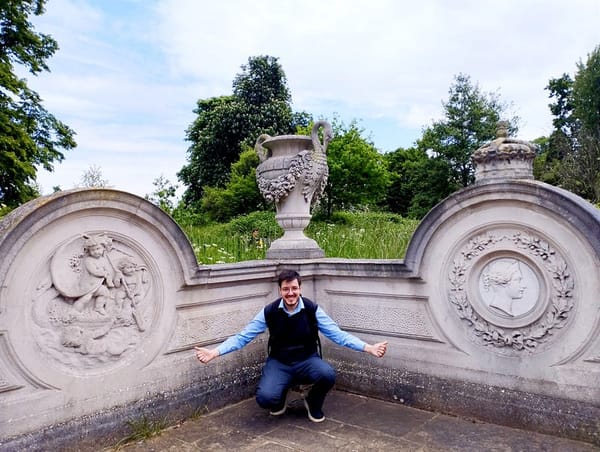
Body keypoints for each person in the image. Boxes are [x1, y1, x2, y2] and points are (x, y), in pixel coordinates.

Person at [195, 269, 388, 423]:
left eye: (294, 288)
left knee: (327, 374)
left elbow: (338, 335)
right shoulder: (269, 312)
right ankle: (279, 397)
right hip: (280, 362)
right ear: (280, 290)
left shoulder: (312, 310)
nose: (290, 293)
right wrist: (214, 352)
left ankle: (312, 401)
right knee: (266, 399)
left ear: (300, 288)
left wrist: (368, 348)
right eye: (286, 289)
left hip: (307, 360)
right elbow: (243, 337)